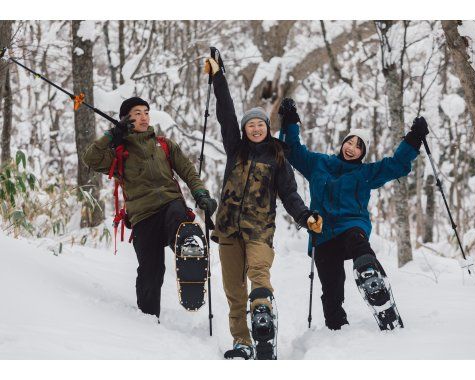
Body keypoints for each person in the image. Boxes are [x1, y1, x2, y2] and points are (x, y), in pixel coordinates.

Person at [204, 58, 323, 359]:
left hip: (259, 231)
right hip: (228, 230)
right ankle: (242, 342)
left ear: (267, 128)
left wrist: (305, 216)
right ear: (245, 130)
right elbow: (226, 114)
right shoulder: (235, 149)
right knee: (233, 291)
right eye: (251, 125)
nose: (256, 128)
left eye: (260, 124)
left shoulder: (277, 156)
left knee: (259, 274)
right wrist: (219, 77)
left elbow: (290, 194)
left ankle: (263, 320)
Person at [278, 98, 429, 330]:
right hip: (323, 232)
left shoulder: (366, 172)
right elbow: (293, 151)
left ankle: (373, 281)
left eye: (359, 146)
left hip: (351, 226)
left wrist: (414, 137)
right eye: (350, 142)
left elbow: (397, 164)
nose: (352, 148)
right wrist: (289, 121)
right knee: (332, 288)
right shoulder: (319, 164)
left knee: (358, 242)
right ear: (343, 143)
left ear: (362, 152)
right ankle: (336, 328)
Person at [83, 97, 217, 320]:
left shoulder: (164, 145)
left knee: (178, 216)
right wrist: (111, 136)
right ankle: (147, 320)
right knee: (151, 273)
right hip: (143, 217)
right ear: (126, 118)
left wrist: (201, 193)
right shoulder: (118, 152)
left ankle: (188, 250)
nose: (144, 117)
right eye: (137, 113)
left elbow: (188, 171)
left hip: (170, 205)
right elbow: (90, 158)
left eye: (146, 112)